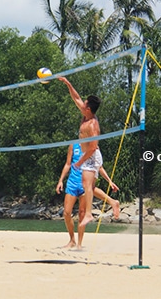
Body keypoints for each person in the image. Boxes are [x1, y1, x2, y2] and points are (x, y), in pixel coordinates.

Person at [57, 144, 120, 249]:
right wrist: (60, 181)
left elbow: (99, 167)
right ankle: (72, 240)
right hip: (73, 182)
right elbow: (68, 164)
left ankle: (79, 244)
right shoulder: (73, 145)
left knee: (82, 213)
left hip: (85, 182)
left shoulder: (93, 146)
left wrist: (109, 181)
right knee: (67, 213)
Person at [59, 76, 102, 228]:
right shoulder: (85, 114)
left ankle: (91, 213)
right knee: (88, 186)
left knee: (87, 186)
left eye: (84, 103)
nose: (81, 103)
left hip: (91, 155)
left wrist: (79, 162)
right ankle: (112, 203)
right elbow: (75, 97)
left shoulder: (93, 125)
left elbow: (92, 148)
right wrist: (68, 83)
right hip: (86, 155)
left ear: (88, 108)